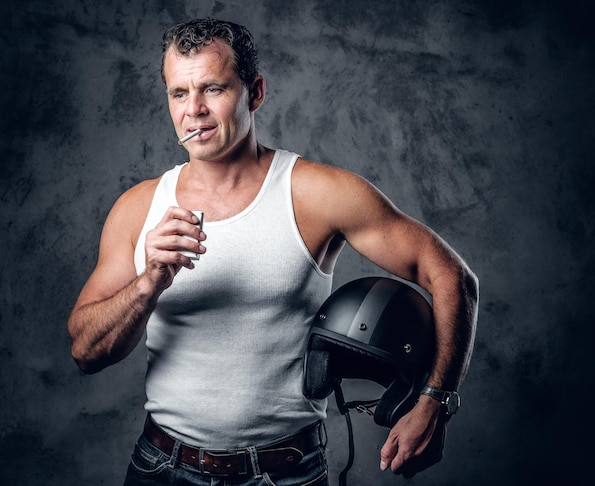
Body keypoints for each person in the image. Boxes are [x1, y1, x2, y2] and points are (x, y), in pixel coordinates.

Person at [67, 17, 479, 486]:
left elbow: (451, 276)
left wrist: (436, 401)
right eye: (179, 93)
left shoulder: (315, 194)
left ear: (254, 92)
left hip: (284, 473)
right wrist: (148, 285)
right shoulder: (139, 207)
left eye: (212, 89)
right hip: (162, 467)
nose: (194, 110)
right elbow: (85, 351)